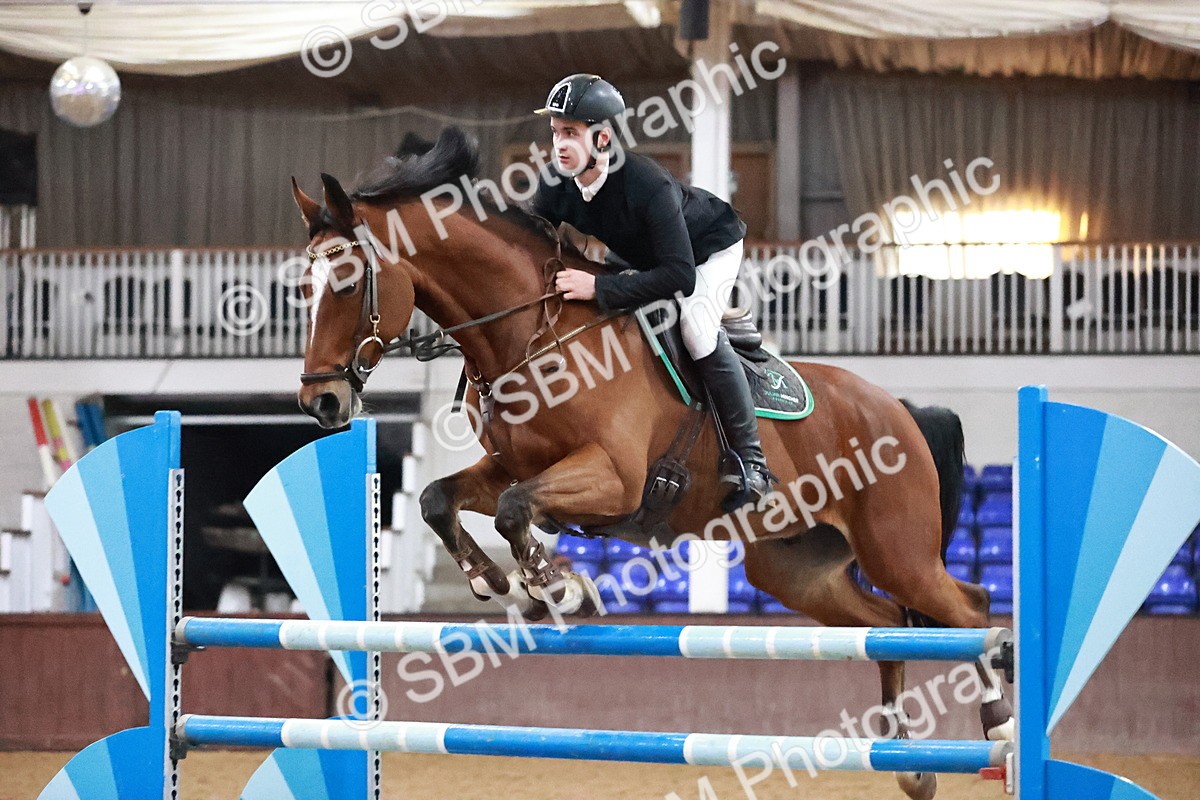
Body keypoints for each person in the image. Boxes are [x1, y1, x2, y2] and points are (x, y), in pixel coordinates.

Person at [529, 73, 773, 510]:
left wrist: (599, 286)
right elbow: (532, 240)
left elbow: (678, 275)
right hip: (647, 257)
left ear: (602, 138)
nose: (559, 144)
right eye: (555, 133)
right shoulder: (554, 183)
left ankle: (752, 462)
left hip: (706, 251)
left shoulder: (647, 184)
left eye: (570, 133)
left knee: (696, 329)